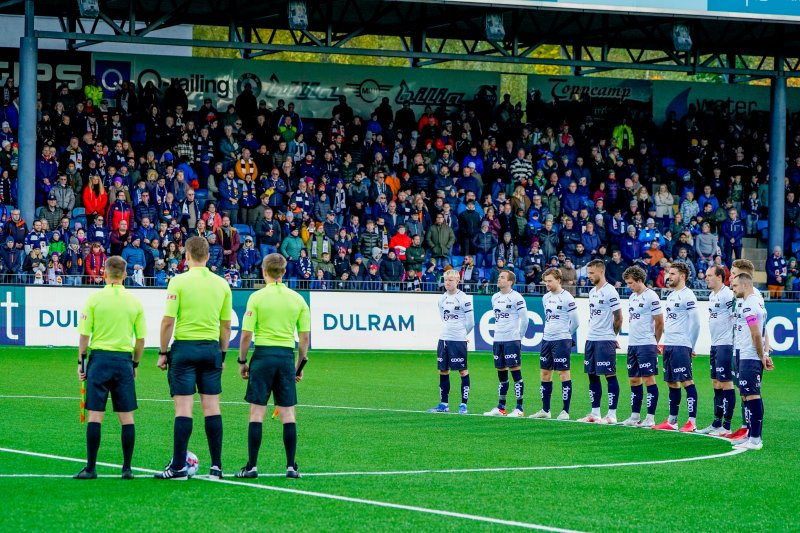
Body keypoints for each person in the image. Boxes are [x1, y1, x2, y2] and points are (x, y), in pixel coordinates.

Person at [155, 236, 233, 480]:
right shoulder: (222, 284)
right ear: (208, 256)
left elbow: (168, 321)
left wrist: (162, 352)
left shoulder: (178, 282)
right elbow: (227, 326)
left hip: (185, 350)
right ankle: (216, 467)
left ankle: (178, 467)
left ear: (186, 255)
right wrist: (221, 354)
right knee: (212, 408)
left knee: (183, 409)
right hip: (210, 349)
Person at [236, 254, 310, 479]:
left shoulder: (256, 298)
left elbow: (246, 334)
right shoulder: (297, 299)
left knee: (257, 412)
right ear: (284, 272)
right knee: (288, 413)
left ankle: (252, 466)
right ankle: (290, 466)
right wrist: (299, 365)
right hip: (286, 357)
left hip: (263, 356)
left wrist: (242, 361)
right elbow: (304, 338)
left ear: (264, 271)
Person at [73, 256, 146, 480]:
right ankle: (127, 469)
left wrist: (81, 362)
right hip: (123, 361)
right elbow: (141, 339)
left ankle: (91, 468)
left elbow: (84, 336)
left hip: (100, 360)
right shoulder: (135, 302)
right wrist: (134, 363)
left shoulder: (94, 299)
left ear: (104, 273)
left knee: (96, 414)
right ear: (125, 275)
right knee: (127, 417)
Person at [653, 263, 701, 432]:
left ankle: (692, 422)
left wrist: (691, 346)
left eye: (672, 273)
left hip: (682, 345)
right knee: (672, 383)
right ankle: (672, 421)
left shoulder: (688, 296)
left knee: (686, 381)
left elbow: (696, 323)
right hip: (670, 344)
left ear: (682, 276)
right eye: (668, 273)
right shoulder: (671, 296)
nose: (669, 276)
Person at [728, 259, 771, 443]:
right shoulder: (744, 299)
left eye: (733, 275)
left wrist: (764, 355)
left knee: (752, 393)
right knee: (745, 392)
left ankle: (755, 437)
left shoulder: (752, 300)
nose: (731, 282)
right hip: (740, 350)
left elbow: (759, 331)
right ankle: (749, 433)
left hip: (749, 353)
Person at [577, 259, 623, 424]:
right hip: (591, 338)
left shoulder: (610, 291)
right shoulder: (592, 292)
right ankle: (595, 413)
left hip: (605, 339)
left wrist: (612, 336)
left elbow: (619, 318)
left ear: (601, 272)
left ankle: (612, 414)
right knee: (592, 375)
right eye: (588, 273)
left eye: (591, 273)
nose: (589, 276)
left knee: (609, 375)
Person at [529, 268, 578, 421]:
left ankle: (565, 411)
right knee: (545, 374)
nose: (547, 284)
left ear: (558, 280)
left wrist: (566, 336)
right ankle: (545, 409)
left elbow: (576, 322)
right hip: (546, 339)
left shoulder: (567, 297)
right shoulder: (545, 297)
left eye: (550, 281)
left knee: (563, 374)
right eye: (546, 281)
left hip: (561, 340)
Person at [620, 266, 663, 428]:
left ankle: (650, 417)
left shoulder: (651, 296)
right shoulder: (632, 297)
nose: (629, 286)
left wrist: (654, 342)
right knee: (633, 380)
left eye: (631, 283)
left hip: (646, 344)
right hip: (633, 345)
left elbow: (659, 322)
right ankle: (635, 416)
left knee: (649, 379)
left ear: (639, 280)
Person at [427, 269, 475, 415]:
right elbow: (443, 317)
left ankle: (463, 404)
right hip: (444, 338)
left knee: (462, 371)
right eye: (446, 280)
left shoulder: (463, 298)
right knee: (443, 370)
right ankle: (444, 404)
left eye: (451, 280)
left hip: (458, 339)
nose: (447, 283)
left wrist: (461, 334)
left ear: (457, 281)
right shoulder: (442, 299)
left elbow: (471, 322)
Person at [697, 265, 736, 436]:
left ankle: (727, 425)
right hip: (715, 344)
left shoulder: (728, 294)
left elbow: (735, 317)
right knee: (715, 382)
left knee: (726, 383)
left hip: (726, 344)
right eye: (706, 275)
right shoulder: (713, 295)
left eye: (710, 275)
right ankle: (716, 422)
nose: (706, 278)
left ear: (720, 277)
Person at [484, 270, 528, 417]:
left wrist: (519, 337)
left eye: (502, 277)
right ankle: (501, 407)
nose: (499, 279)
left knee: (515, 372)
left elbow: (525, 319)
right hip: (498, 340)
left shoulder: (516, 297)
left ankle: (519, 408)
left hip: (512, 339)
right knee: (501, 373)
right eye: (499, 277)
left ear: (510, 282)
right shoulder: (495, 297)